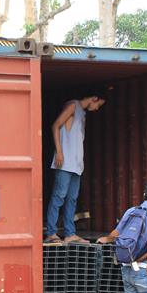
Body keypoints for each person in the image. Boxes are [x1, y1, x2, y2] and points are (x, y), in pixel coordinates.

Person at [44, 96, 105, 243]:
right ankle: (51, 233)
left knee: (71, 199)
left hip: (76, 166)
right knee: (59, 197)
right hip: (65, 163)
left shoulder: (81, 113)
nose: (97, 109)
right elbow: (56, 125)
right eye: (98, 105)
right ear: (93, 98)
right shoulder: (73, 106)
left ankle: (70, 233)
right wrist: (59, 151)